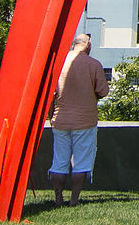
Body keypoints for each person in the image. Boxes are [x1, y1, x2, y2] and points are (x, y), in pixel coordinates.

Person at [46, 33, 108, 206]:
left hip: (60, 120)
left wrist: (51, 115)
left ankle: (58, 199)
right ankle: (74, 199)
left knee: (59, 161)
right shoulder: (94, 64)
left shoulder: (59, 64)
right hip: (85, 121)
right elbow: (103, 91)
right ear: (88, 45)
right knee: (81, 162)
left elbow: (51, 93)